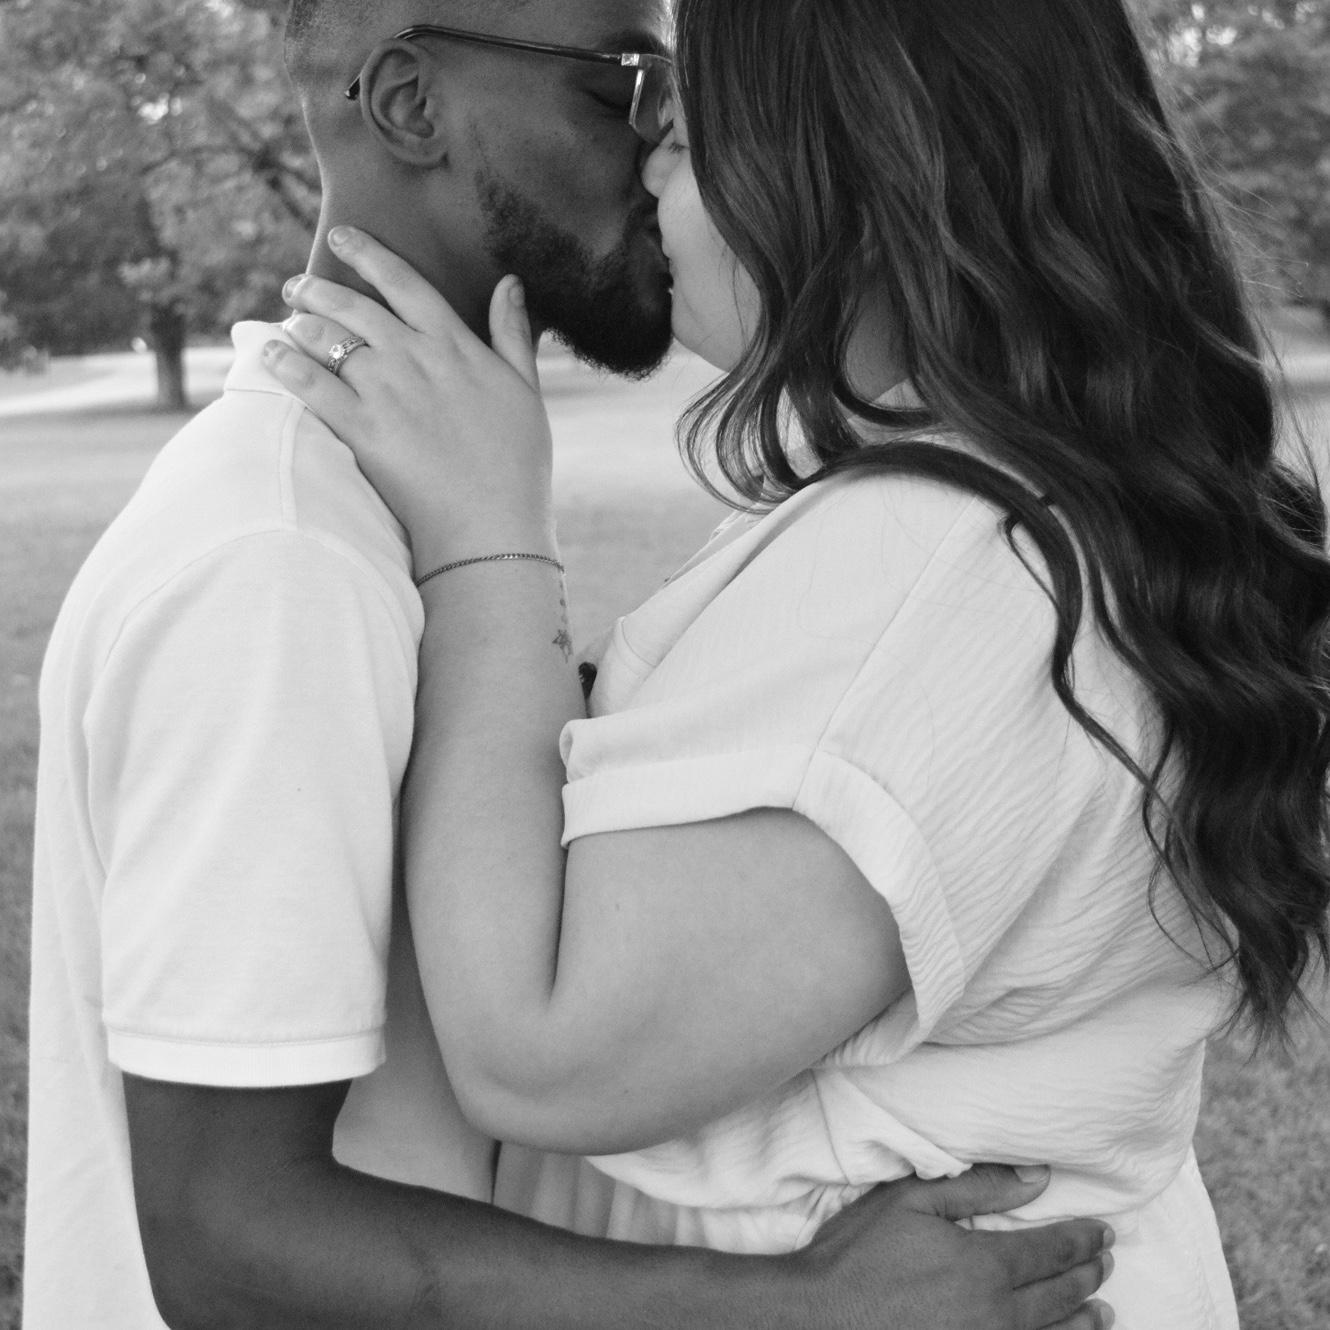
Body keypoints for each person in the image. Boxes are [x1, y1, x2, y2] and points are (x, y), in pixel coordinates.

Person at [22, 0, 1116, 1327]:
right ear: (411, 106)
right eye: (625, 85)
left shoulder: (407, 506)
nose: (663, 148)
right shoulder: (286, 559)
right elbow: (229, 1235)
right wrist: (794, 1307)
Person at [265, 0, 1330, 1326]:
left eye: (688, 126)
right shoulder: (1019, 509)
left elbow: (536, 1051)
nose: (645, 159)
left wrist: (489, 544)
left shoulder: (937, 573)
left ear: (862, 175)